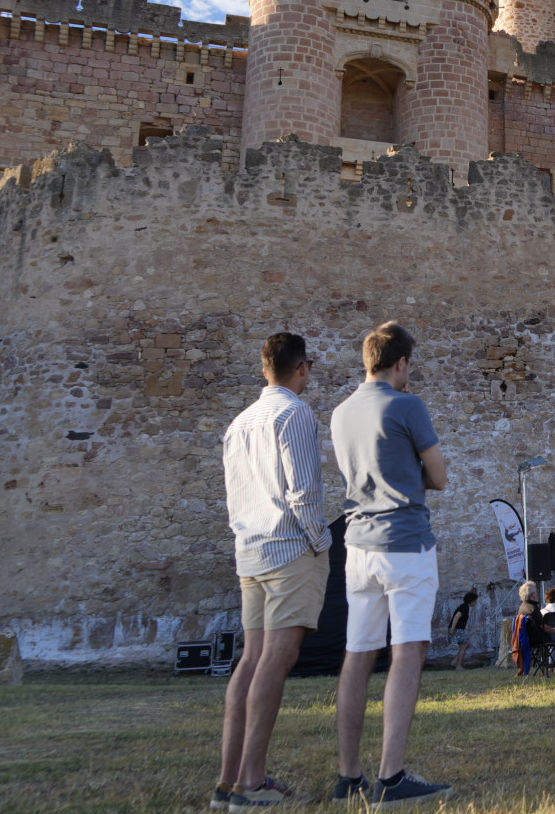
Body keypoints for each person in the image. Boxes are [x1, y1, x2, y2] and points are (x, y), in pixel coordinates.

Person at [330, 322, 451, 805]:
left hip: (357, 548)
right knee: (407, 653)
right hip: (405, 544)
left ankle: (348, 776)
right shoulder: (408, 405)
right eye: (409, 366)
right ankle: (392, 775)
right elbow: (439, 477)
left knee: (357, 656)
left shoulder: (340, 413)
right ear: (400, 363)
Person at [215, 333, 330, 811]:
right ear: (302, 368)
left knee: (252, 658)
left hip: (250, 549)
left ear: (266, 368)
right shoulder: (295, 414)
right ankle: (253, 780)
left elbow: (234, 493)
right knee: (275, 661)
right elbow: (302, 490)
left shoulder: (238, 423)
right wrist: (322, 541)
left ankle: (229, 781)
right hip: (288, 547)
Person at [515, 580, 555, 669]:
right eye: (535, 592)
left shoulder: (522, 607)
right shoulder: (534, 609)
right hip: (541, 638)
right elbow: (544, 627)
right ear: (532, 595)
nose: (537, 593)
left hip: (529, 638)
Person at [448, 590, 477, 670]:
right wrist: (453, 629)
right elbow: (457, 616)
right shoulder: (464, 607)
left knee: (466, 644)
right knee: (464, 645)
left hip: (459, 629)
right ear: (472, 600)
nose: (476, 602)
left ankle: (455, 661)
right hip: (458, 629)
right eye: (475, 600)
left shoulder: (465, 607)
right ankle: (458, 666)